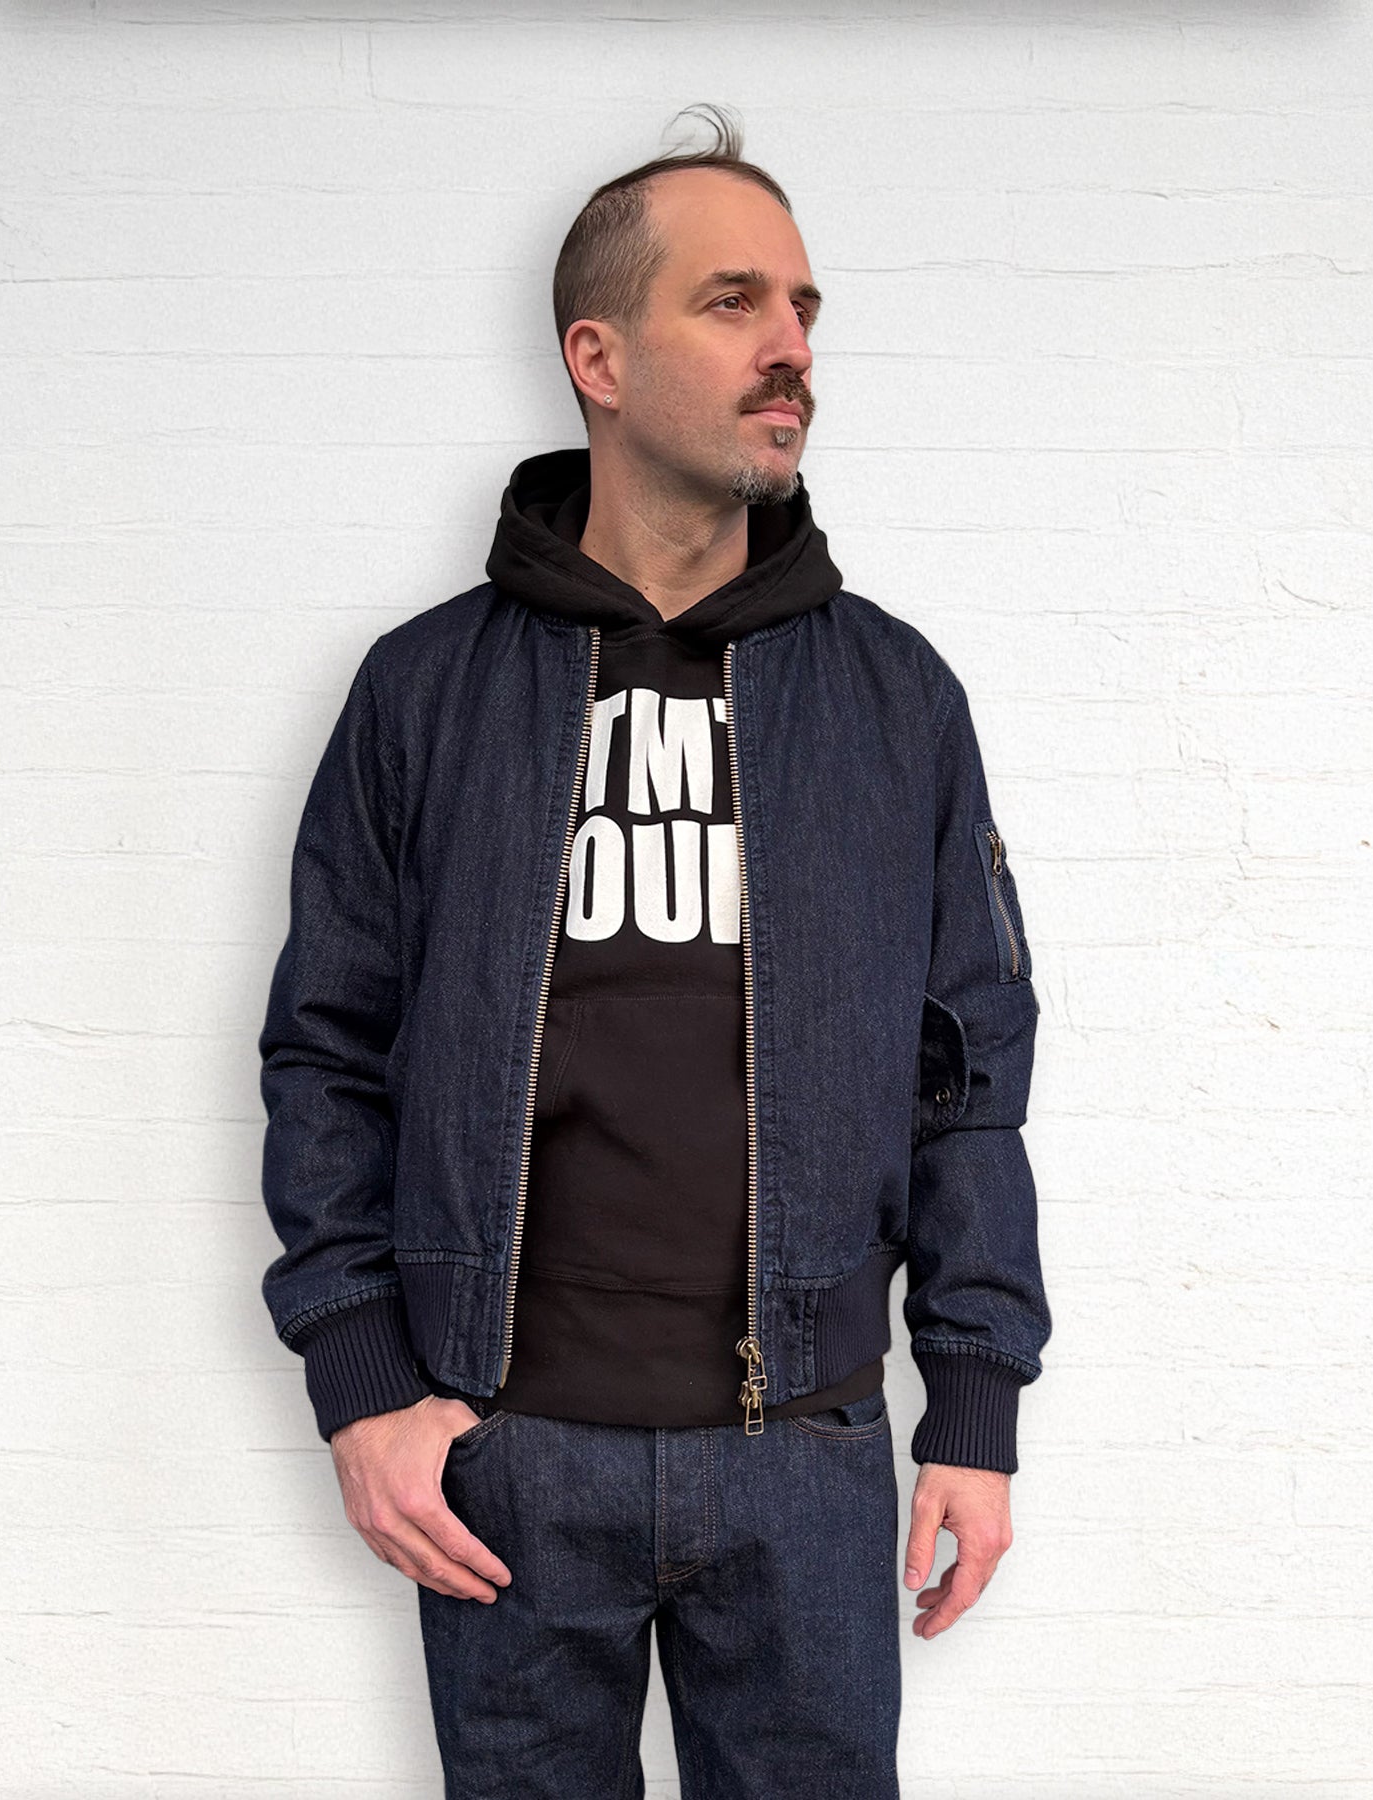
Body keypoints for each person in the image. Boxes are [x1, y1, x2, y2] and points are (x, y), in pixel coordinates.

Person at [257, 103, 1052, 1800]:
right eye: (733, 300)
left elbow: (969, 1077)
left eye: (805, 307)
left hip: (806, 1459)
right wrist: (362, 1385)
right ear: (597, 358)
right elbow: (327, 1052)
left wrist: (974, 1407)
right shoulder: (425, 693)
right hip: (506, 1459)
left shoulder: (895, 698)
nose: (792, 347)